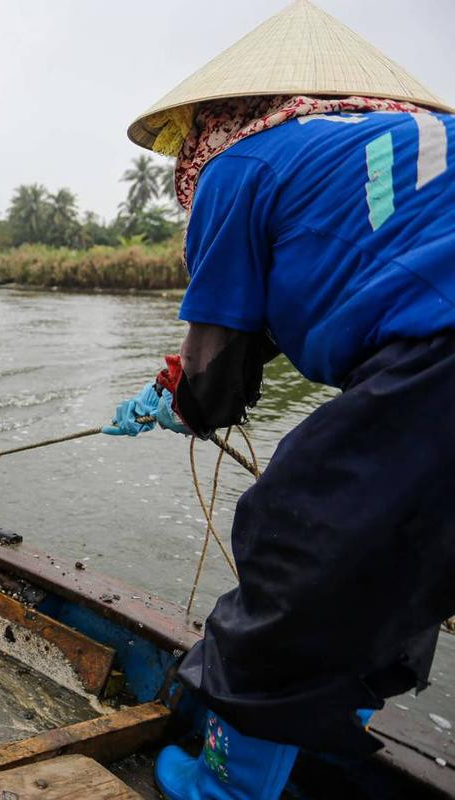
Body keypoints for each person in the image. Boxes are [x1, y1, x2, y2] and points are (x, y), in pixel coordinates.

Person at [110, 2, 455, 798]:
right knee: (392, 556)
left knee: (294, 552)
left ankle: (227, 787)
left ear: (213, 122)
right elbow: (327, 285)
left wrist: (184, 403)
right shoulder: (396, 148)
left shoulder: (244, 165)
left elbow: (218, 379)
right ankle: (323, 745)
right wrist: (187, 381)